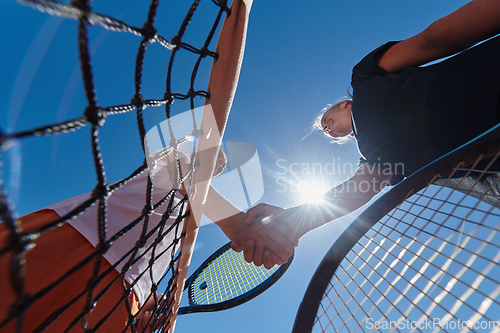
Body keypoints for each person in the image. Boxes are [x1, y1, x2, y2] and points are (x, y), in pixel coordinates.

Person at [237, 0, 500, 265]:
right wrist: (293, 223)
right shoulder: (374, 159)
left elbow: (433, 41)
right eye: (328, 133)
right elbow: (356, 191)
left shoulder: (365, 79)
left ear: (343, 104)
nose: (328, 128)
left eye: (327, 120)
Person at [0, 143, 293, 332]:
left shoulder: (188, 218)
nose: (212, 167)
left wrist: (150, 305)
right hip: (74, 239)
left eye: (217, 167)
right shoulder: (171, 162)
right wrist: (239, 224)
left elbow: (149, 262)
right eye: (209, 159)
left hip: (120, 296)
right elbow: (185, 173)